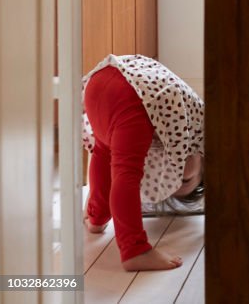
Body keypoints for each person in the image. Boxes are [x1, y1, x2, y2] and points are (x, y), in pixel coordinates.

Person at [82, 55, 204, 271]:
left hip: (100, 82)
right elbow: (230, 162)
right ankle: (134, 250)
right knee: (126, 172)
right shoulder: (203, 135)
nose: (175, 178)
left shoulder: (162, 139)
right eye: (185, 179)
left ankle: (96, 217)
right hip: (134, 92)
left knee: (104, 150)